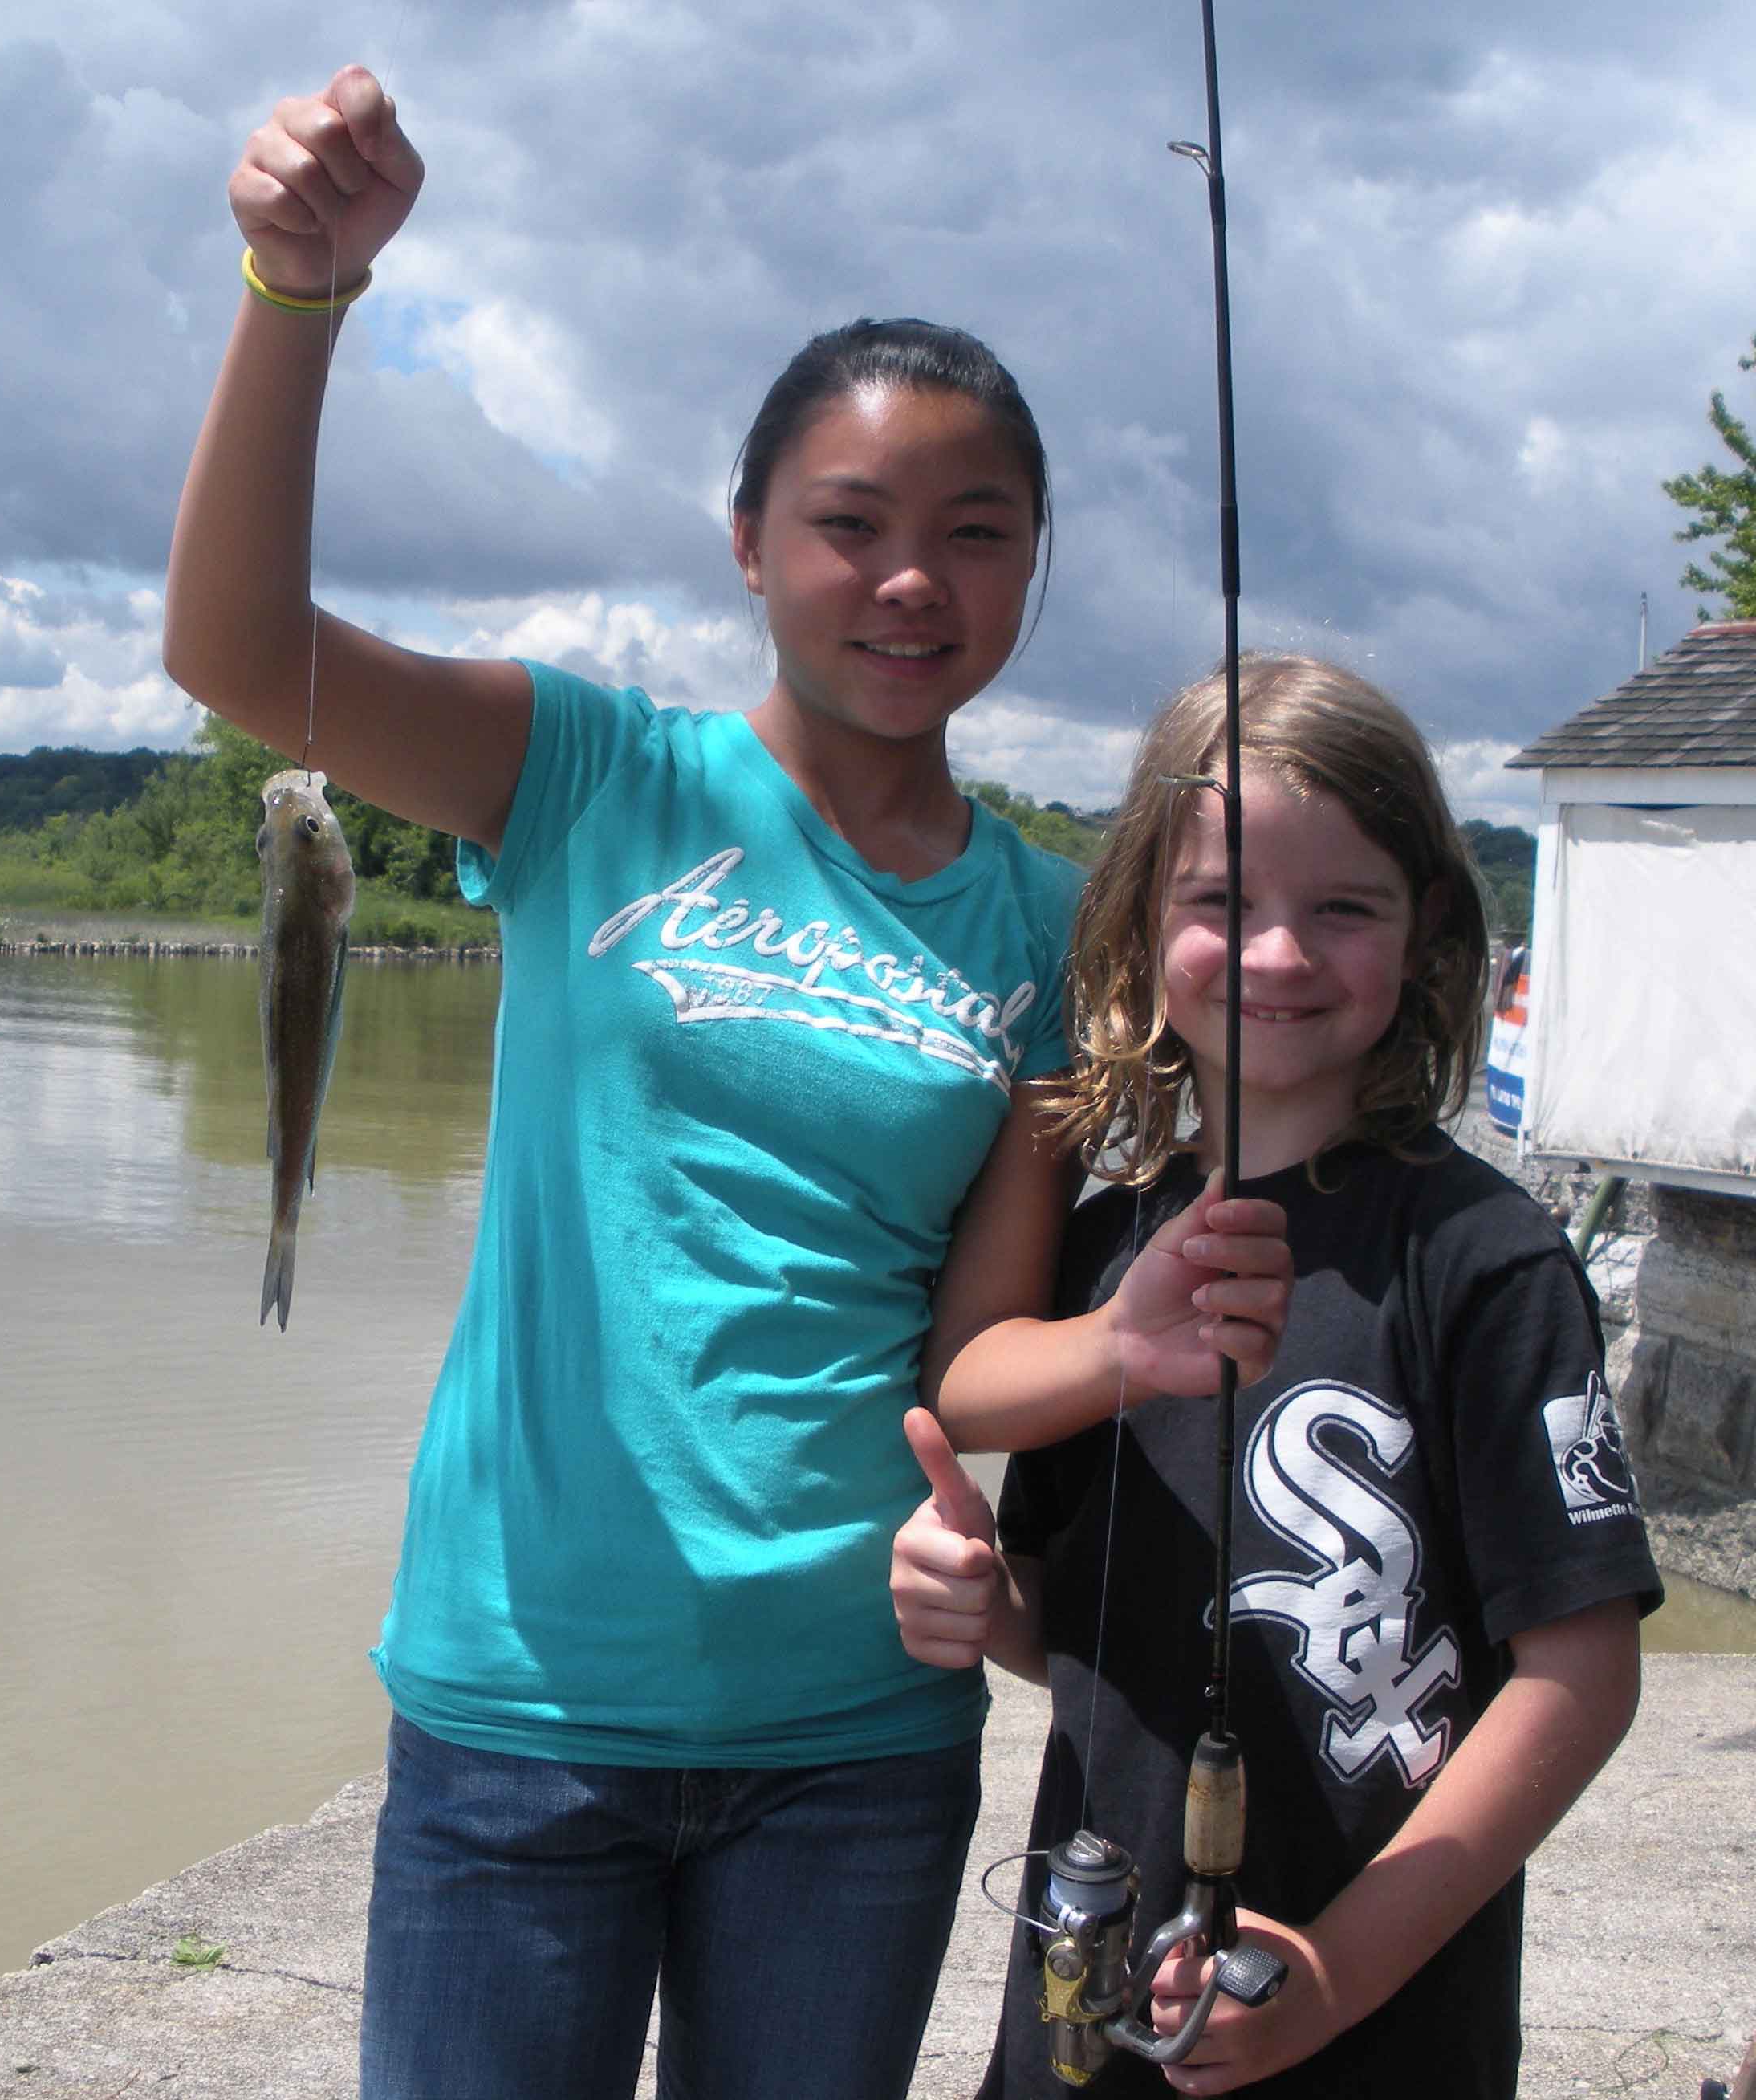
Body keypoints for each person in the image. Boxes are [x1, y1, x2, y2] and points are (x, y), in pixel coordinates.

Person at [163, 66, 1295, 2100]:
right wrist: (296, 290)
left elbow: (967, 1355)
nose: (911, 581)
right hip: (525, 1703)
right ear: (749, 539)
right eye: (849, 524)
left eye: (977, 534)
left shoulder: (1048, 928)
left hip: (855, 1734)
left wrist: (1122, 1339)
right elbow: (240, 650)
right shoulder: (592, 775)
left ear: (1034, 567)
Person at [891, 654, 1662, 2098]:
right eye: (1220, 905)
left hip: (1383, 2032)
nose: (1279, 955)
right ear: (1138, 925)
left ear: (1429, 934)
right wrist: (994, 1607)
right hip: (1089, 2022)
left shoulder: (1486, 1262)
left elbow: (1584, 1673)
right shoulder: (1105, 1255)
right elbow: (1085, 1622)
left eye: (1344, 908)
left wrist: (1331, 1978)